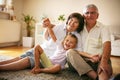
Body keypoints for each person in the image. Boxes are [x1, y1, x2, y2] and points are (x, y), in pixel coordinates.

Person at [0, 12, 84, 72]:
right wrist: (48, 26)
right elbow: (46, 37)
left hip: (48, 57)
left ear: (79, 25)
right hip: (42, 48)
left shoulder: (77, 37)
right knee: (19, 58)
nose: (72, 23)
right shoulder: (59, 26)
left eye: (76, 22)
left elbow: (76, 52)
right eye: (71, 20)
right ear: (68, 20)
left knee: (27, 60)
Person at [66, 4, 113, 80]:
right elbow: (66, 25)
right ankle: (94, 76)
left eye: (93, 13)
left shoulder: (104, 28)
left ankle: (91, 73)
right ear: (83, 15)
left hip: (98, 60)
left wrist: (104, 61)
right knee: (70, 52)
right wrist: (50, 26)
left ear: (97, 15)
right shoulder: (78, 26)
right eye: (87, 13)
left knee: (104, 77)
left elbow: (107, 45)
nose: (90, 15)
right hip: (80, 60)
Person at [0, 33, 78, 74]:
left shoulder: (71, 52)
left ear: (74, 46)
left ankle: (40, 70)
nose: (68, 43)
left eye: (71, 43)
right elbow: (53, 35)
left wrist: (90, 56)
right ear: (64, 41)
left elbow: (80, 53)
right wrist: (49, 26)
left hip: (52, 66)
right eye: (67, 40)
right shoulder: (60, 46)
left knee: (58, 67)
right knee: (37, 47)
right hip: (47, 60)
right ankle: (37, 66)